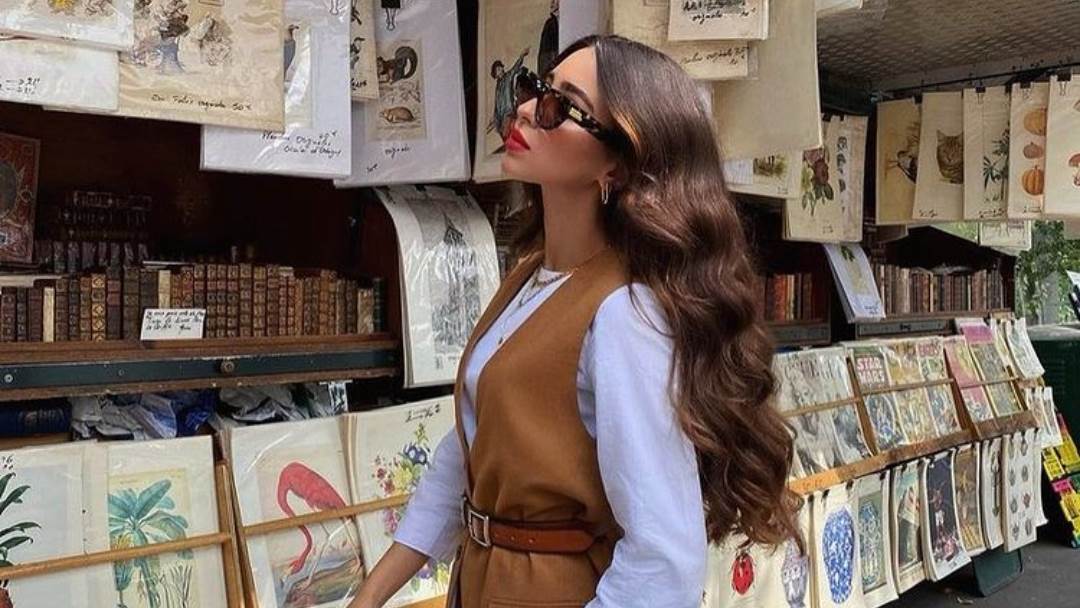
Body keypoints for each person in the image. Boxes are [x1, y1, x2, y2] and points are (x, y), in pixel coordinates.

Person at [350, 35, 801, 608]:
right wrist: (371, 595)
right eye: (535, 89)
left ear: (618, 162)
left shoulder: (624, 313)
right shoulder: (529, 277)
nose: (524, 110)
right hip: (483, 580)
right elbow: (472, 448)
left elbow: (664, 555)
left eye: (561, 106)